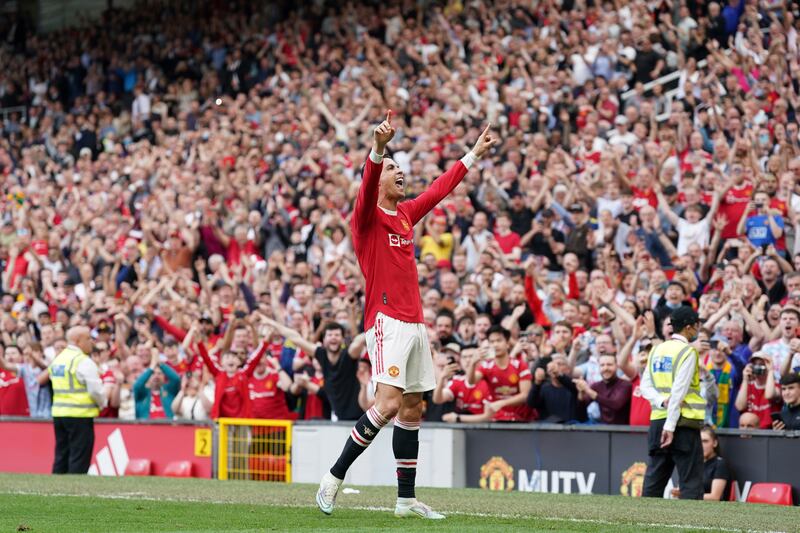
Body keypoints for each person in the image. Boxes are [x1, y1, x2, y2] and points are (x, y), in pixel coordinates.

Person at [316, 112, 496, 519]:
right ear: (378, 179)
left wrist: (472, 154)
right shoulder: (366, 218)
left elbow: (438, 190)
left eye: (399, 166)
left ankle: (405, 500)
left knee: (413, 407)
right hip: (386, 321)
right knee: (388, 403)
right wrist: (378, 149)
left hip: (415, 323)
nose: (400, 171)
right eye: (392, 167)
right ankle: (333, 477)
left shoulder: (404, 214)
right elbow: (365, 184)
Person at [641, 306, 706, 500]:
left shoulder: (656, 350)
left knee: (654, 480)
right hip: (682, 423)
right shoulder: (688, 352)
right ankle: (691, 527)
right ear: (688, 327)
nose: (698, 329)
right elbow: (679, 391)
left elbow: (645, 386)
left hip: (658, 420)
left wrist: (661, 401)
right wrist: (670, 426)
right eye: (696, 325)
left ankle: (641, 524)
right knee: (690, 482)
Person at [47, 326, 106, 474]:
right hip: (80, 414)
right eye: (88, 339)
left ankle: (54, 490)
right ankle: (75, 490)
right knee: (79, 456)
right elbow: (95, 390)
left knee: (61, 454)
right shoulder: (83, 361)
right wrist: (102, 404)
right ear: (78, 341)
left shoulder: (58, 359)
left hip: (59, 413)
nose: (91, 342)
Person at [671, 426, 732, 501]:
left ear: (715, 443)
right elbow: (682, 490)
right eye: (699, 442)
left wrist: (687, 495)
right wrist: (678, 492)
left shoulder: (720, 464)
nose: (701, 445)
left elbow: (715, 497)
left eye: (705, 441)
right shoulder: (692, 464)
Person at [574, 353, 632, 425]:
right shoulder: (596, 386)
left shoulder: (625, 385)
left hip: (624, 430)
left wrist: (589, 391)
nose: (605, 368)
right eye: (602, 365)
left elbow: (616, 404)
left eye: (609, 365)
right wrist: (581, 394)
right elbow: (580, 415)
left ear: (617, 366)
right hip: (604, 430)